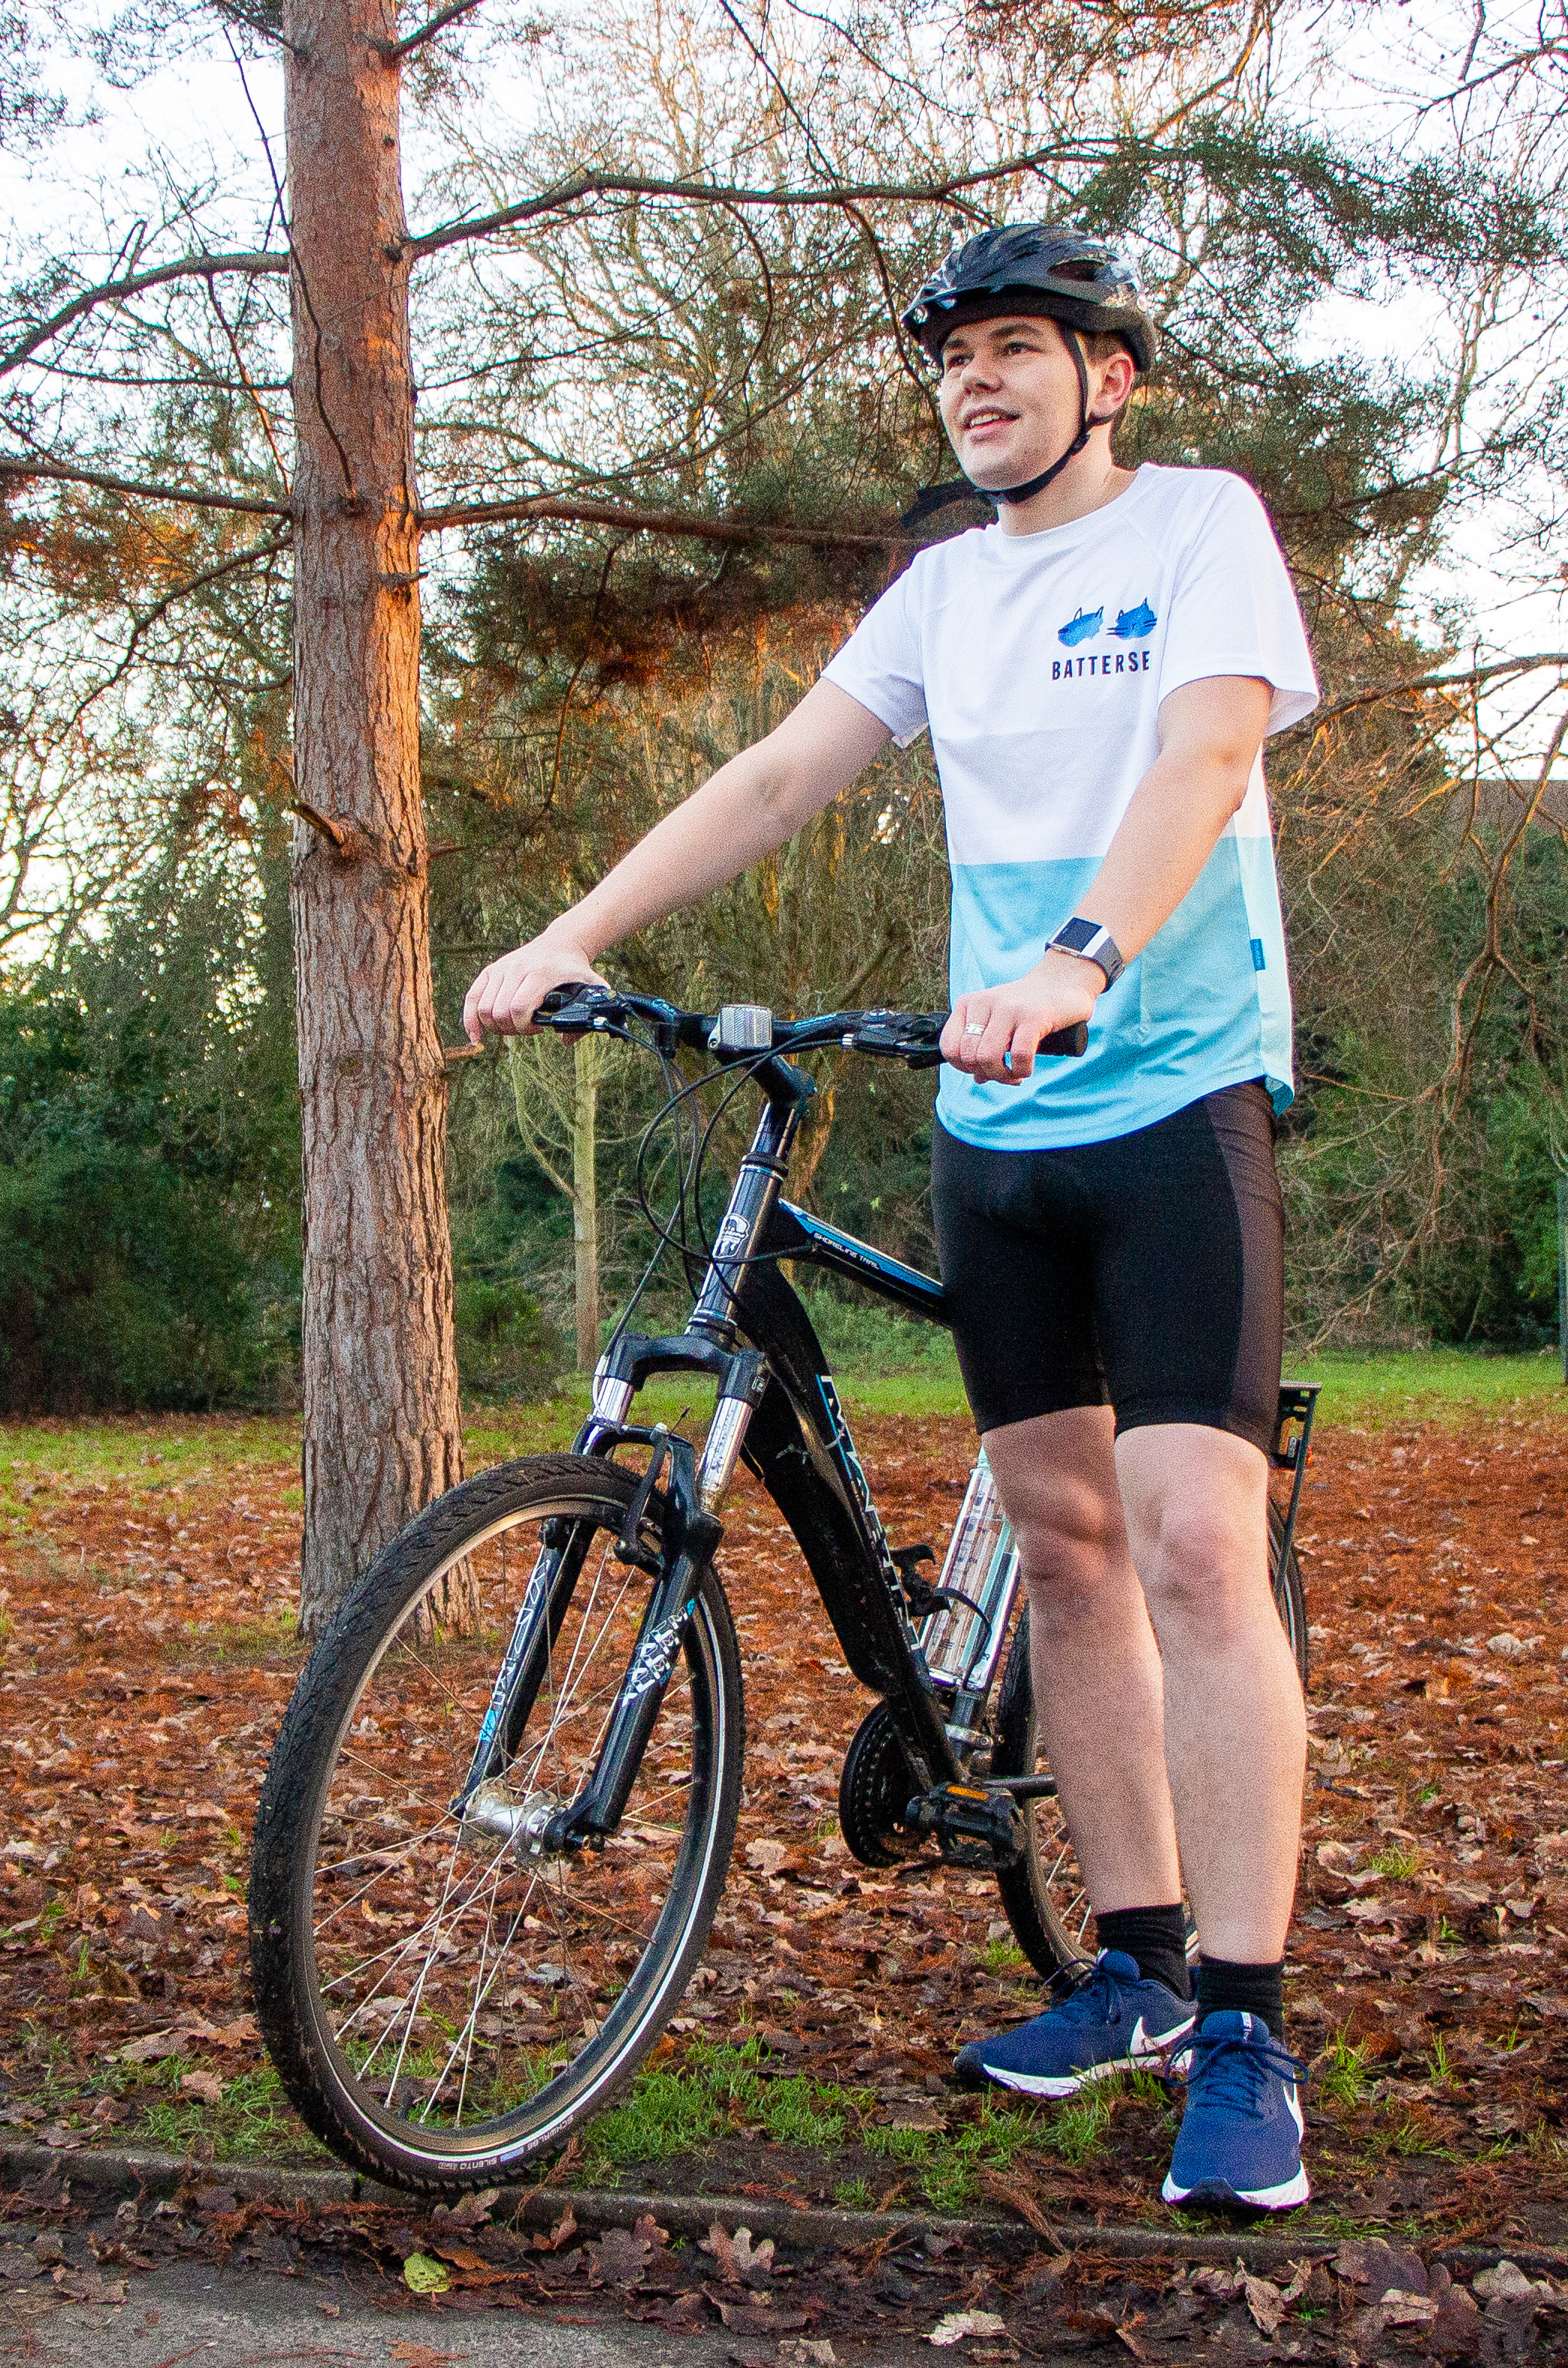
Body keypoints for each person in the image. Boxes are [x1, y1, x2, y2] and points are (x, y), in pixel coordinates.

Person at [460, 224, 1322, 2212]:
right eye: (954, 363)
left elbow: (1206, 755)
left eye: (1019, 351)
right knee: (1072, 1546)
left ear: (1108, 377)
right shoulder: (949, 589)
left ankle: (1251, 2036)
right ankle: (1133, 1967)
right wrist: (571, 933)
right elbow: (778, 774)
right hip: (993, 1116)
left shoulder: (1199, 526)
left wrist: (1088, 954)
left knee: (1197, 1543)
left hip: (1172, 1093)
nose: (980, 385)